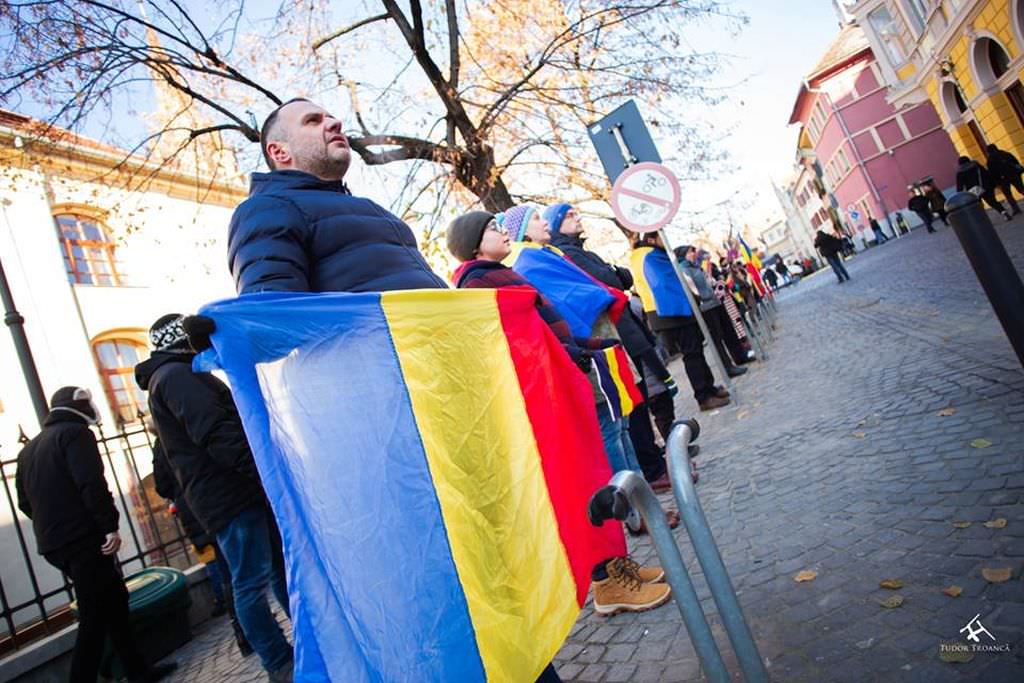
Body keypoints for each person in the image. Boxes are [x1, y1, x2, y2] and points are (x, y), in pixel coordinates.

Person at [445, 210, 673, 618]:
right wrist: (573, 355)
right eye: (493, 228)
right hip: (547, 389)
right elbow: (518, 340)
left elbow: (542, 329)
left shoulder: (491, 274)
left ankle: (615, 566)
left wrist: (585, 348)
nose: (502, 232)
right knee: (582, 476)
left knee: (591, 469)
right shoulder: (478, 280)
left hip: (560, 377)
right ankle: (605, 581)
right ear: (474, 242)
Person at [136, 315, 293, 682]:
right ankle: (279, 662)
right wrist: (258, 472)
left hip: (233, 492)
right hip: (230, 495)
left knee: (275, 572)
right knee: (251, 582)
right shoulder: (175, 377)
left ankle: (305, 641)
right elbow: (215, 431)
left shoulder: (175, 375)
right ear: (178, 340)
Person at [15, 387, 177, 683]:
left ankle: (137, 669)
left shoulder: (29, 450)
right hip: (83, 540)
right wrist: (108, 526)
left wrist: (53, 523)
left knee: (114, 600)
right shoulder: (75, 434)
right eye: (88, 402)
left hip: (55, 544)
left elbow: (25, 503)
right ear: (79, 406)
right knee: (94, 614)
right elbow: (91, 483)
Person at [543, 202, 678, 488]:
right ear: (555, 224)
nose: (576, 218)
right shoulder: (566, 254)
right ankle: (649, 472)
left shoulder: (576, 251)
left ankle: (652, 462)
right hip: (608, 336)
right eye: (568, 216)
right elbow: (603, 282)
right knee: (629, 414)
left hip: (621, 330)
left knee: (637, 404)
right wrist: (612, 275)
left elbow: (619, 279)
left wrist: (614, 276)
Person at [632, 233, 731, 411]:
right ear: (652, 239)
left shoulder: (643, 254)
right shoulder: (650, 255)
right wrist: (688, 304)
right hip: (671, 310)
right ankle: (704, 396)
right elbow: (665, 284)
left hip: (667, 310)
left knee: (695, 351)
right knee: (692, 353)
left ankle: (709, 387)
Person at [677, 245, 749, 376]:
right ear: (683, 255)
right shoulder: (684, 269)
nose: (694, 253)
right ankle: (727, 367)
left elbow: (707, 282)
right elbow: (693, 289)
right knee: (717, 338)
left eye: (694, 251)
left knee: (729, 331)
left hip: (715, 302)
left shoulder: (696, 266)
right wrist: (703, 298)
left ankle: (741, 356)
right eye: (691, 252)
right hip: (706, 308)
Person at [955, 155, 1012, 221]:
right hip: (986, 187)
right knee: (993, 202)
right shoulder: (977, 166)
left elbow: (960, 185)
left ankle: (983, 220)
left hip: (973, 192)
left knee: (978, 206)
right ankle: (1004, 213)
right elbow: (987, 174)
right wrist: (994, 184)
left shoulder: (960, 172)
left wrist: (960, 194)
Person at [986, 143, 1024, 216]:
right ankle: (1016, 209)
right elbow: (1016, 162)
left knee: (1008, 195)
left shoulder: (990, 160)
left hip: (1002, 179)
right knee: (1021, 189)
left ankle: (1016, 209)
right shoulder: (1005, 154)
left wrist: (996, 183)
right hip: (1014, 174)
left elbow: (992, 172)